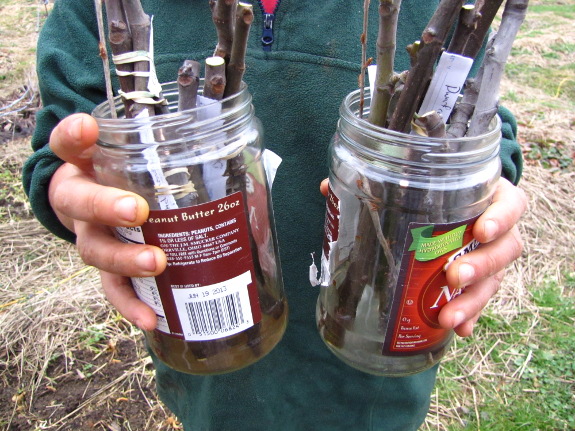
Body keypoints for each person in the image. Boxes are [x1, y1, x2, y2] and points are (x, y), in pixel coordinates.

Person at [24, 1, 527, 429]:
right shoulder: (99, 11)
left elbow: (477, 111)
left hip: (379, 387)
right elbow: (63, 143)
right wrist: (77, 195)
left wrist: (483, 186)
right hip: (208, 378)